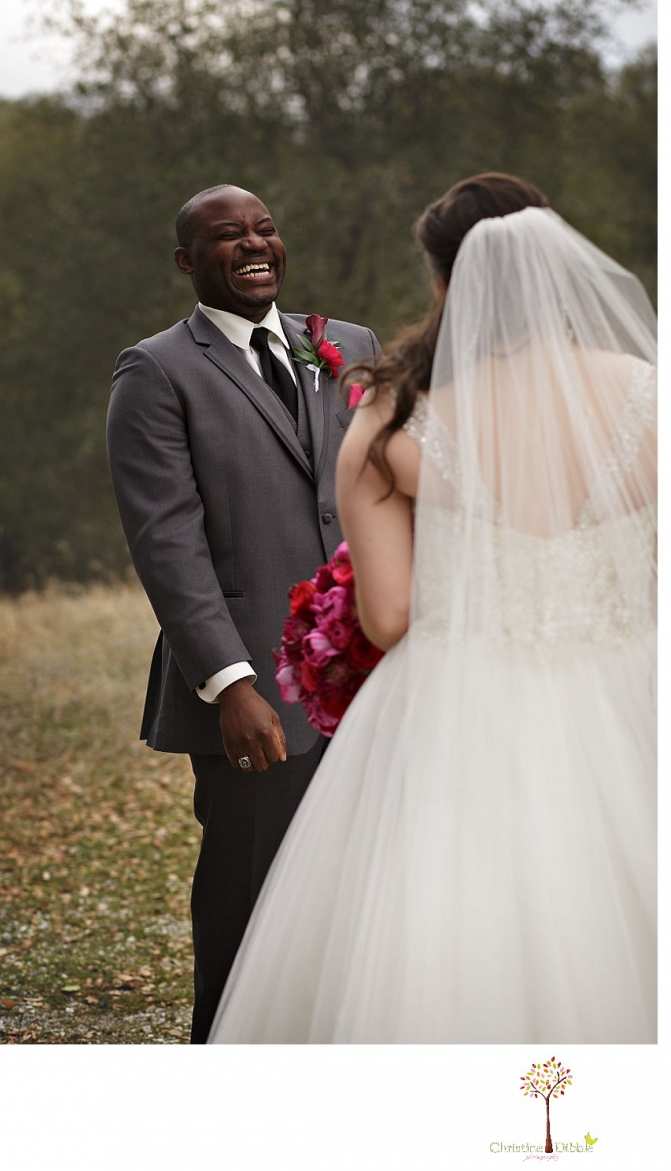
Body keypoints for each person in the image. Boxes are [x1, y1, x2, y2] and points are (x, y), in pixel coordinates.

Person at [210, 173, 657, 1043]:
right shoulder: (652, 394)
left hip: (461, 706)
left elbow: (386, 618)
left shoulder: (393, 419)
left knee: (445, 930)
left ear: (448, 281)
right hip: (633, 690)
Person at [106, 183, 380, 1042]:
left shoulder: (347, 345)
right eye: (227, 237)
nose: (254, 245)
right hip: (256, 695)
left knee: (365, 903)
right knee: (248, 902)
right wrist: (231, 683)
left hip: (371, 681)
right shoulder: (155, 370)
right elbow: (167, 542)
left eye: (265, 228)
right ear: (189, 261)